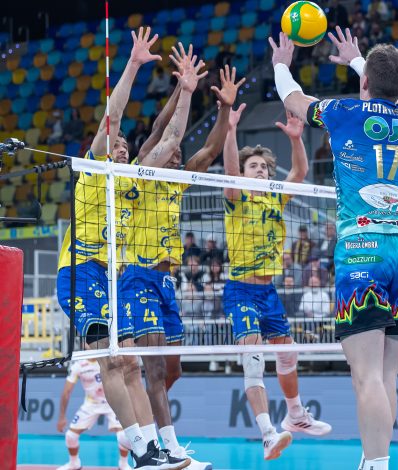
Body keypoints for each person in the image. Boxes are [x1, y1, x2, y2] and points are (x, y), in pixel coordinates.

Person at [272, 27, 398, 469]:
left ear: (364, 83)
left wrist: (281, 63)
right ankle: (375, 460)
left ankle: (375, 464)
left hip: (363, 251)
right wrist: (360, 61)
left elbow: (293, 100)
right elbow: (386, 92)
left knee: (367, 376)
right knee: (386, 375)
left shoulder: (344, 112)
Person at [54, 27, 190, 470]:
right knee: (113, 361)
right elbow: (111, 117)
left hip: (112, 278)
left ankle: (151, 449)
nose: (119, 146)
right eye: (114, 143)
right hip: (79, 271)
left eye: (124, 146)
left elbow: (170, 140)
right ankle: (141, 448)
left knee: (131, 364)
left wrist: (187, 91)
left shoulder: (132, 182)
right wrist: (132, 63)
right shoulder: (94, 171)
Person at [120, 49, 243, 469]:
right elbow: (162, 130)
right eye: (170, 151)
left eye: (178, 153)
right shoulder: (140, 173)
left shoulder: (177, 182)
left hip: (166, 282)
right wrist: (183, 89)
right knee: (155, 371)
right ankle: (165, 449)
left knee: (172, 371)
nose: (176, 154)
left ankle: (141, 425)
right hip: (137, 276)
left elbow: (209, 150)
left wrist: (224, 110)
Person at [222, 100, 332, 459]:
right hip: (240, 289)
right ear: (243, 172)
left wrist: (296, 139)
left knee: (288, 351)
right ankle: (268, 434)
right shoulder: (235, 198)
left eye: (264, 167)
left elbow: (299, 172)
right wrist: (231, 130)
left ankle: (296, 416)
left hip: (268, 291)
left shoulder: (274, 200)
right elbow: (229, 170)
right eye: (253, 166)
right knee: (253, 357)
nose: (260, 170)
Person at [56, 360, 130, 470]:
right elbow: (67, 391)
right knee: (70, 436)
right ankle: (74, 463)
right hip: (91, 403)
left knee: (123, 435)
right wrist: (62, 417)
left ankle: (123, 464)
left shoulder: (108, 359)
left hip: (112, 402)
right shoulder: (78, 365)